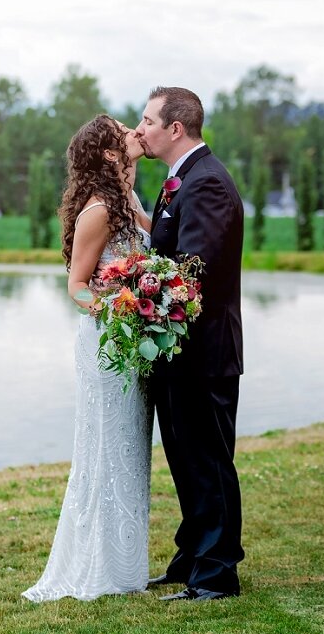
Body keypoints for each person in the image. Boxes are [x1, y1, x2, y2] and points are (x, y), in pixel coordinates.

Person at [22, 114, 154, 602]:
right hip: (106, 344)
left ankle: (124, 566)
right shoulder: (98, 210)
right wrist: (118, 307)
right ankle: (98, 569)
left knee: (130, 450)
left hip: (132, 345)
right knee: (105, 450)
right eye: (126, 131)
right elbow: (76, 288)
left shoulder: (130, 201)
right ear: (108, 154)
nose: (137, 133)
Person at [134, 86, 245, 602]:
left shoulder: (207, 185)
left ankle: (217, 573)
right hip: (180, 351)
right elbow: (166, 247)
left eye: (148, 120)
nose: (141, 129)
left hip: (204, 351)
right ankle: (192, 556)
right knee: (185, 458)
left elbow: (193, 270)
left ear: (175, 128)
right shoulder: (180, 182)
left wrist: (141, 287)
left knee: (208, 460)